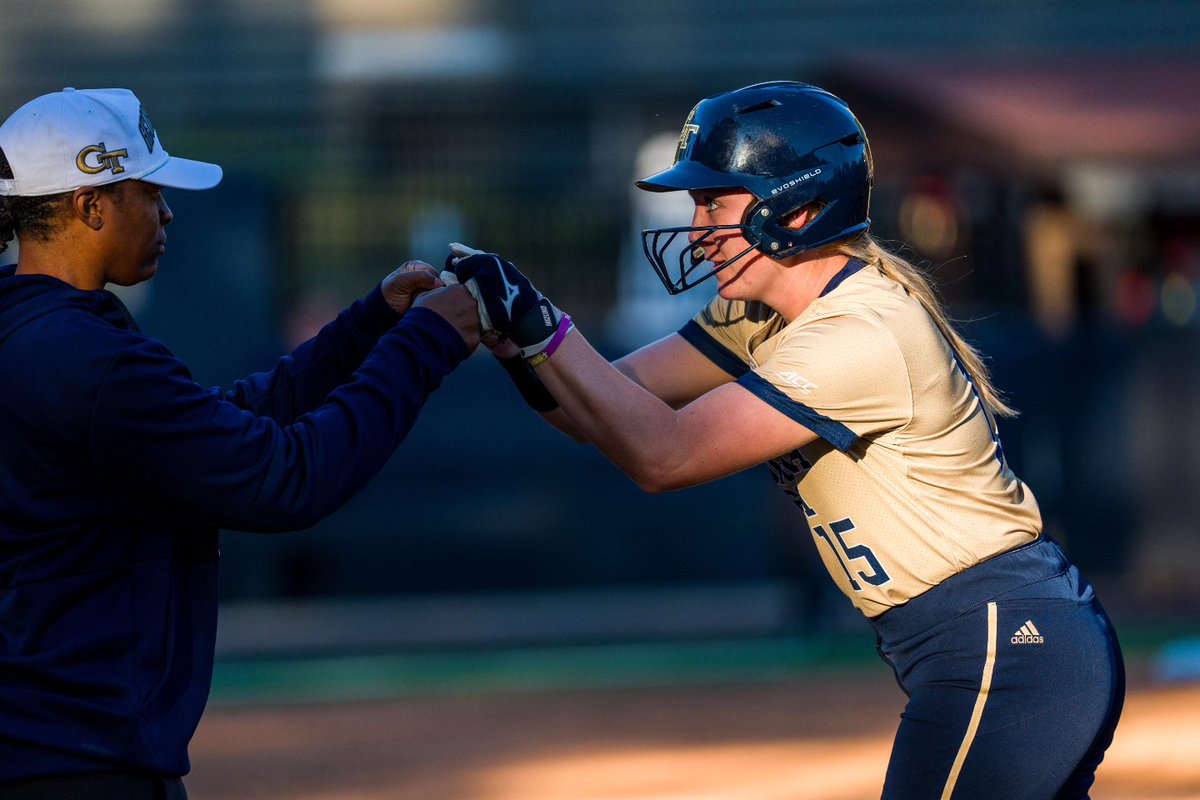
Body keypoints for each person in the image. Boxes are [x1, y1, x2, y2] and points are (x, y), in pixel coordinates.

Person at [444, 81, 1124, 799]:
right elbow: (595, 408)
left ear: (797, 207)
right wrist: (518, 339)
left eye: (714, 201)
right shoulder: (757, 311)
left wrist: (541, 322)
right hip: (990, 647)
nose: (697, 226)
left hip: (1007, 646)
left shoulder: (859, 331)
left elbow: (663, 456)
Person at [0, 87, 480, 798]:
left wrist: (367, 328)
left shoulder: (36, 333)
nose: (166, 212)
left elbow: (213, 426)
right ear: (90, 205)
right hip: (77, 765)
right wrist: (429, 344)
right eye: (149, 192)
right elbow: (289, 477)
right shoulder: (88, 360)